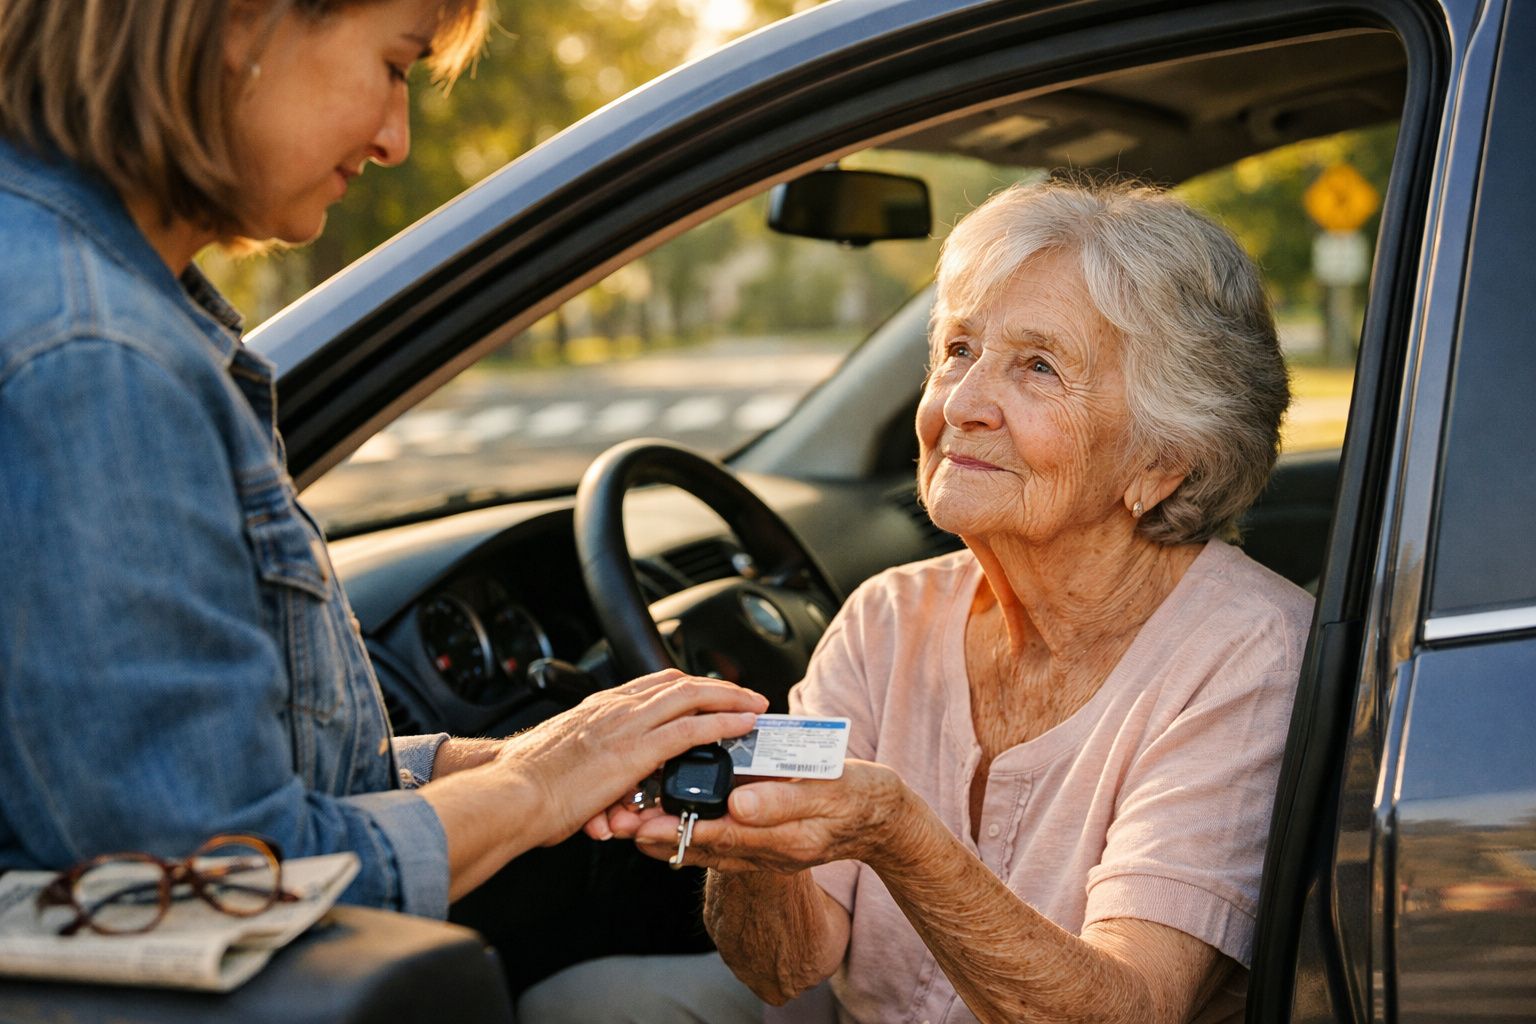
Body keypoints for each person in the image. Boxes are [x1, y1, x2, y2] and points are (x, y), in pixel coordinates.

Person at [0, 0, 765, 924]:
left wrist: (522, 760)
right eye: (397, 66)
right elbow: (220, 892)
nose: (396, 140)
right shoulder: (98, 358)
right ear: (241, 25)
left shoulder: (100, 306)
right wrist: (536, 791)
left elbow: (239, 798)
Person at [579, 179, 1313, 1023]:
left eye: (1039, 367)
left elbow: (1134, 1008)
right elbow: (788, 967)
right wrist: (749, 840)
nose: (959, 407)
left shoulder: (1247, 654)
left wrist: (896, 832)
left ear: (1165, 462)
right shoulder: (887, 618)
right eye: (958, 350)